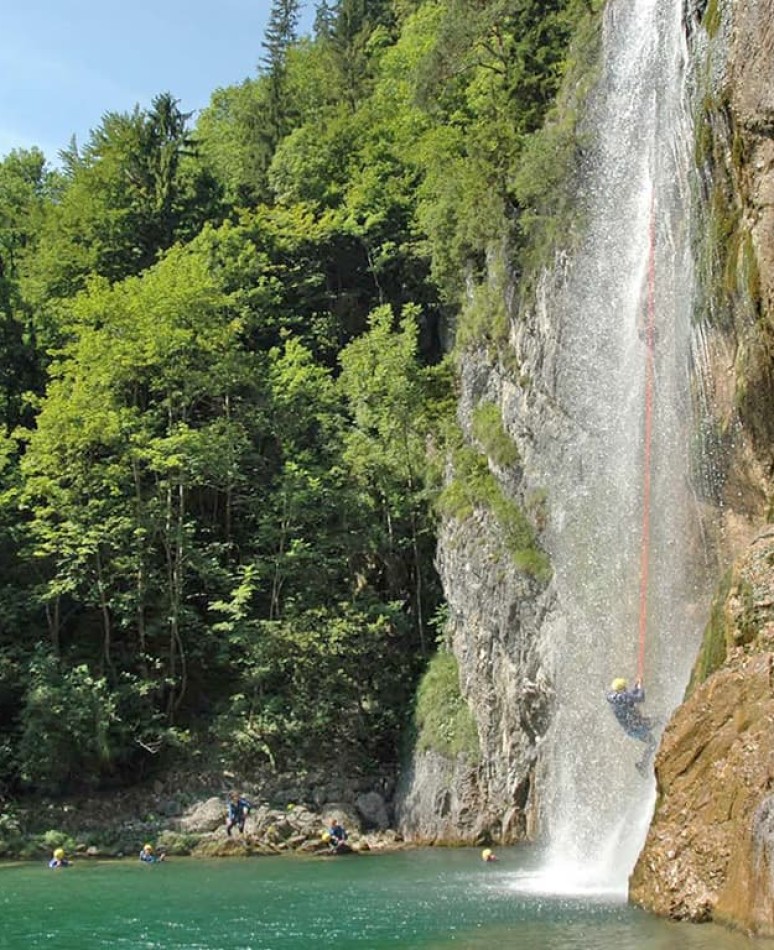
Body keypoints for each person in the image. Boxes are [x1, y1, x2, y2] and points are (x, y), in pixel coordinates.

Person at [606, 677, 657, 775]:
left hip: (631, 730)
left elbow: (630, 695)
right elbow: (640, 698)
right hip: (639, 726)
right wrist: (640, 686)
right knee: (661, 720)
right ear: (622, 689)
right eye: (625, 688)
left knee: (652, 743)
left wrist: (636, 687)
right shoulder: (624, 696)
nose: (626, 689)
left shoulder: (614, 698)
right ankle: (643, 764)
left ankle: (643, 765)